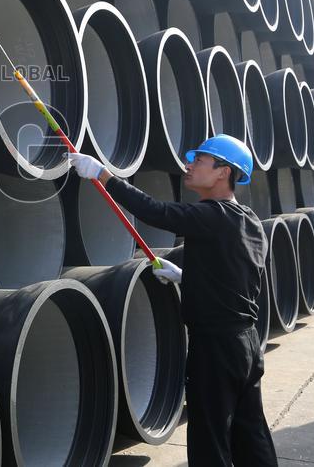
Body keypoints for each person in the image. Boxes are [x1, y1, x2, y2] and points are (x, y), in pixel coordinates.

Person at [68, 134, 278, 466]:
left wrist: (103, 176)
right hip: (246, 344)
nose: (189, 166)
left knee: (209, 438)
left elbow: (157, 212)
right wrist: (186, 277)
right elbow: (236, 276)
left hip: (216, 347)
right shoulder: (247, 220)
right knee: (250, 431)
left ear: (223, 172)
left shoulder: (212, 215)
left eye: (200, 161)